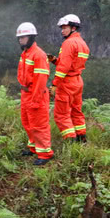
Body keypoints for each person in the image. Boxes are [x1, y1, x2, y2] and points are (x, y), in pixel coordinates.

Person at [16, 22, 54, 166]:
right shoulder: (25, 53)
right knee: (27, 122)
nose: (21, 40)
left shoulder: (38, 55)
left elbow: (40, 80)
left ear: (31, 37)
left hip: (36, 93)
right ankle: (34, 148)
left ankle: (45, 154)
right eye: (19, 38)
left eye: (23, 37)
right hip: (26, 93)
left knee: (39, 124)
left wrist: (36, 100)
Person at [49, 14, 89, 142]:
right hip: (77, 81)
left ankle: (70, 142)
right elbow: (72, 64)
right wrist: (55, 60)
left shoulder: (68, 43)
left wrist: (54, 84)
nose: (62, 30)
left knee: (61, 114)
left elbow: (64, 68)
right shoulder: (82, 44)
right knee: (76, 111)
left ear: (73, 28)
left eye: (64, 27)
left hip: (67, 83)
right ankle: (81, 138)